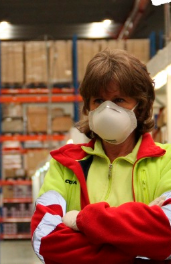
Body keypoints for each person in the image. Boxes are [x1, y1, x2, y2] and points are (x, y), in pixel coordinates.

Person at [31, 49, 171, 264]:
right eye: (98, 100)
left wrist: (80, 220)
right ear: (88, 106)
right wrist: (139, 248)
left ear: (140, 105)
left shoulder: (166, 160)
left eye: (119, 100)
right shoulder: (65, 165)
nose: (108, 109)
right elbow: (45, 239)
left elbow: (167, 235)